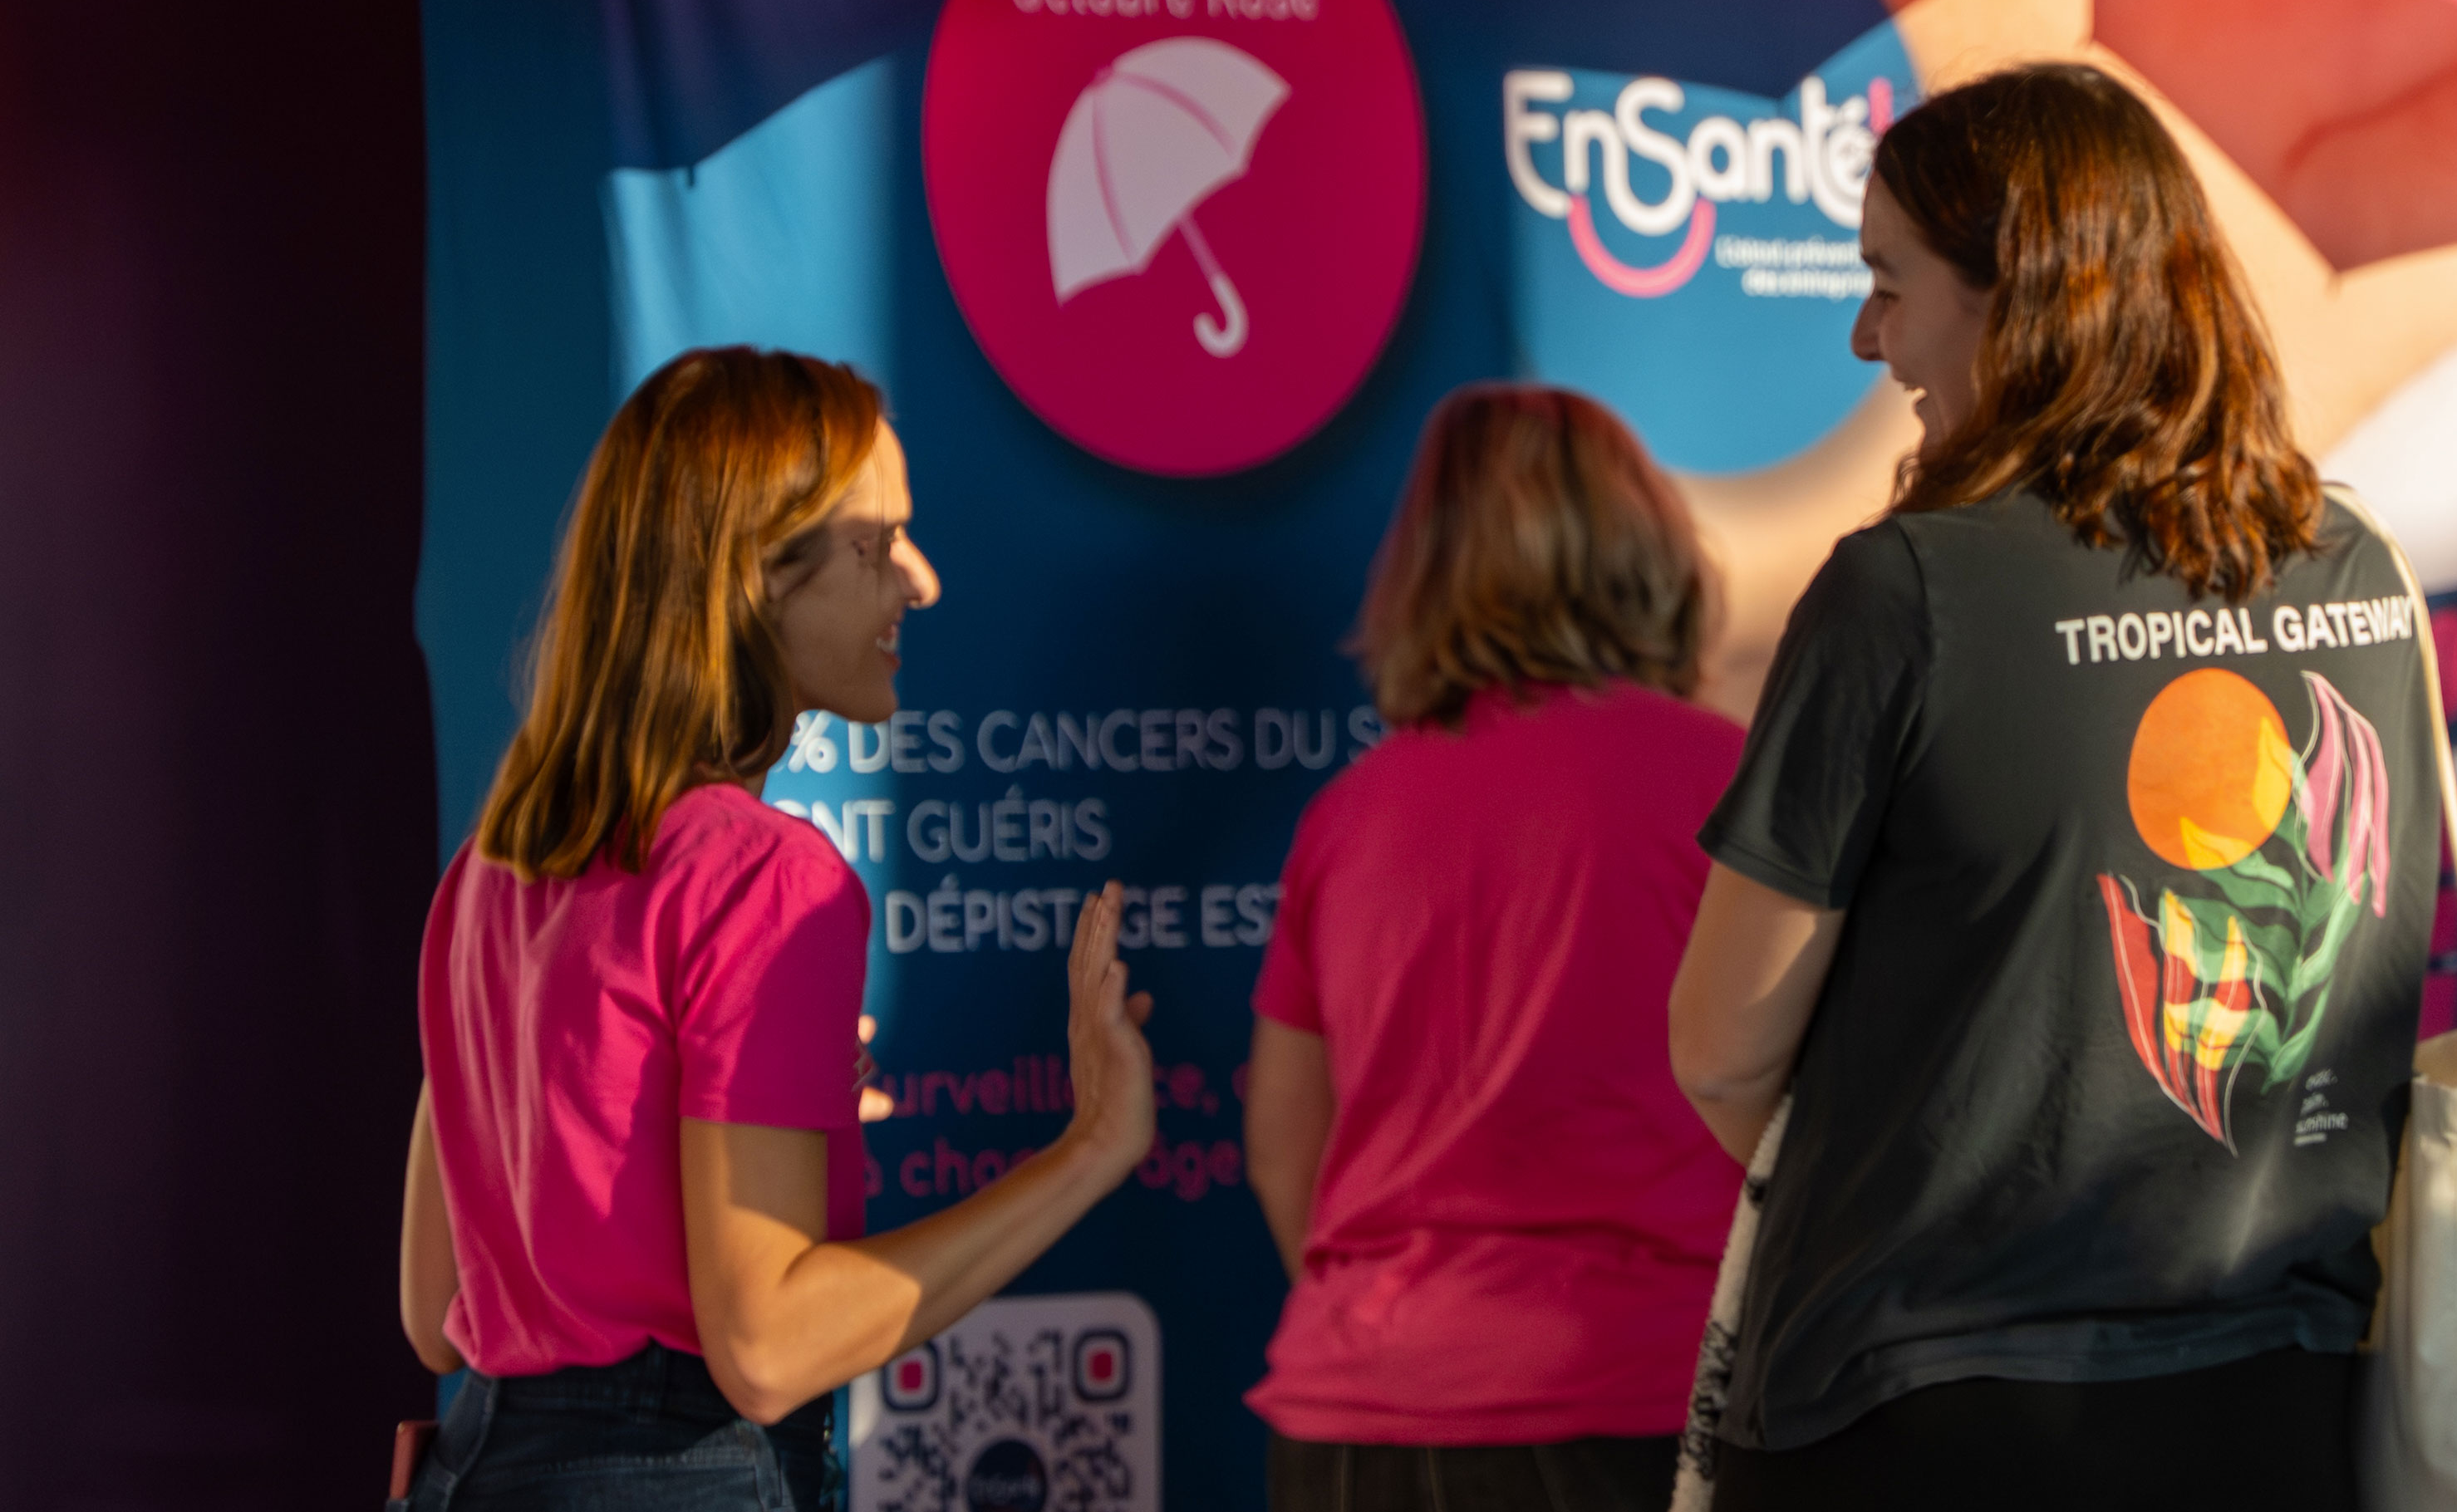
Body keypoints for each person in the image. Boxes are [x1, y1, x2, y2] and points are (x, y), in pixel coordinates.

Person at [1668, 61, 2442, 1510]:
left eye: (1891, 282)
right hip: (2277, 1390)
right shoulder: (2361, 571)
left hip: (1931, 1403)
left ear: (2020, 292)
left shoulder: (1908, 588)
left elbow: (1720, 1045)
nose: (1865, 333)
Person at [399, 347, 1156, 1512]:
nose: (922, 581)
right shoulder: (765, 876)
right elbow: (767, 1348)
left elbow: (432, 1311)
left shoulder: (485, 872)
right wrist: (1091, 1146)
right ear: (747, 577)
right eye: (874, 544)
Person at [1241, 384, 1748, 1512]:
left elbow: (1284, 1147)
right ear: (1649, 548)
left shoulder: (1352, 812)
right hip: (1636, 1403)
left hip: (1357, 1416)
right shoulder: (1733, 784)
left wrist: (1405, 1327)